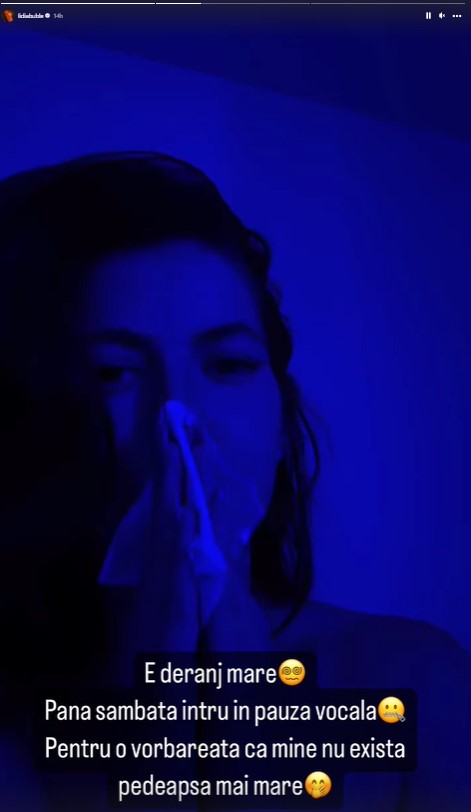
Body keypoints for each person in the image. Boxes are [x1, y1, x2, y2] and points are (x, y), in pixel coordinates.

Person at [0, 152, 469, 811]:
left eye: (227, 364)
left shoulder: (413, 683)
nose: (182, 422)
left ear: (280, 424)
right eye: (111, 374)